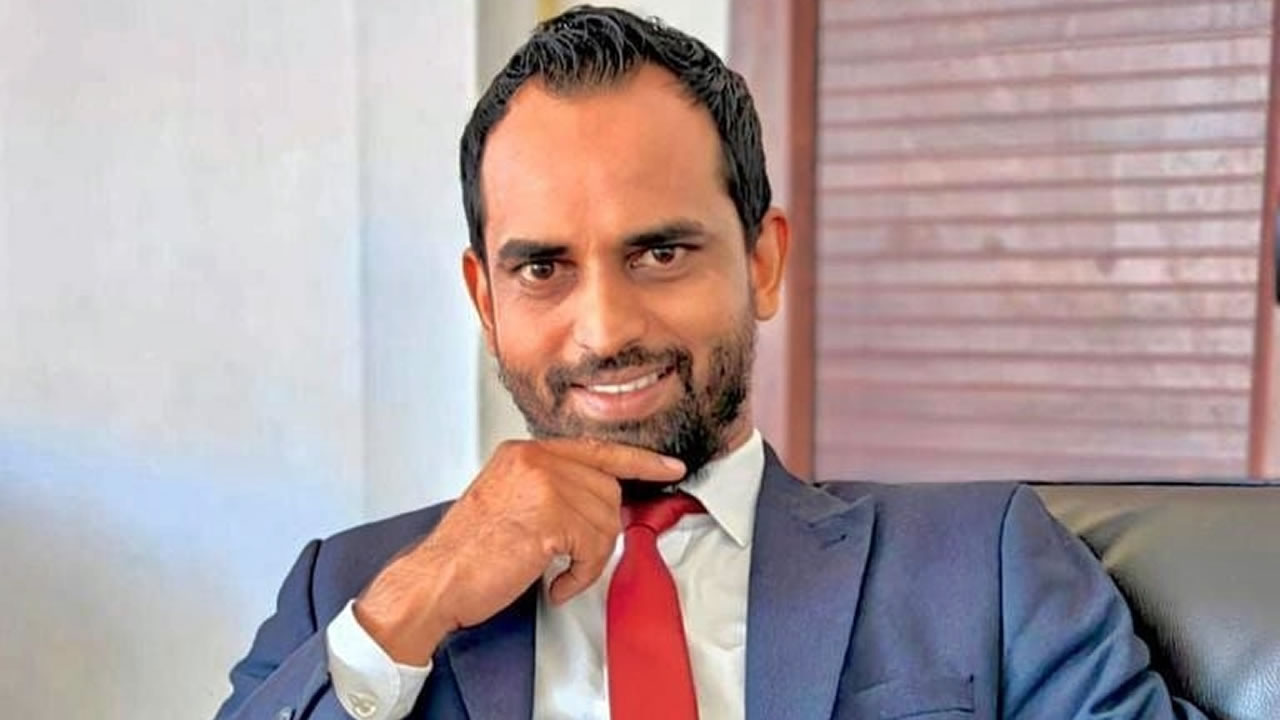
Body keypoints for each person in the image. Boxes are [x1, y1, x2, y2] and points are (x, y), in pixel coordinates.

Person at [215, 6, 1206, 719]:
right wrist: (411, 606)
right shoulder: (348, 594)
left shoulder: (982, 567)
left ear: (762, 261)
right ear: (485, 300)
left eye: (659, 253)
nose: (604, 331)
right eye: (543, 269)